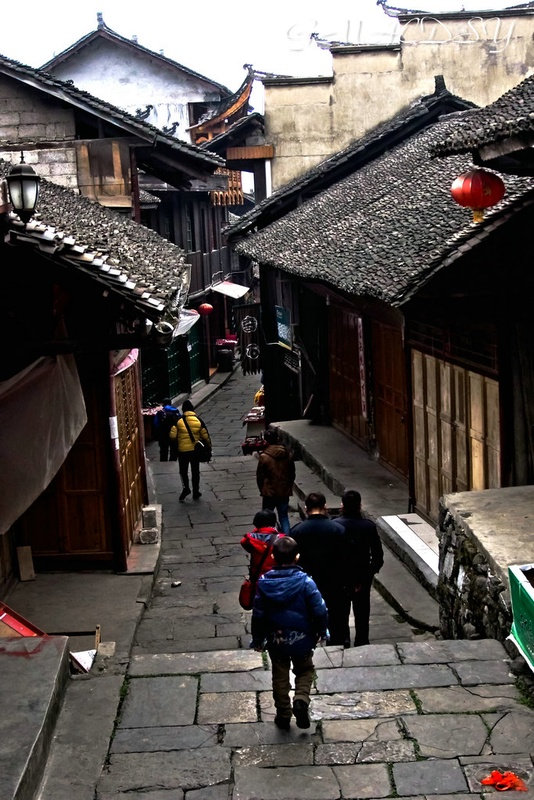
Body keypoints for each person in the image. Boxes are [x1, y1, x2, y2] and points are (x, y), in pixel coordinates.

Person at [251, 536, 328, 730]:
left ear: (274, 557)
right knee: (305, 670)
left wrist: (258, 638)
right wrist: (321, 630)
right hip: (302, 638)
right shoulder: (305, 582)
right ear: (297, 557)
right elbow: (320, 609)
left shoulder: (263, 583)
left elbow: (258, 614)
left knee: (280, 676)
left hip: (277, 640)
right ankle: (301, 698)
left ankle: (283, 713)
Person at [291, 492, 348, 646]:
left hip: (308, 581)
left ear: (306, 508)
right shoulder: (338, 529)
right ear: (325, 507)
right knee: (336, 615)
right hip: (334, 581)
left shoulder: (297, 531)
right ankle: (337, 642)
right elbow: (344, 558)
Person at [335, 490, 384, 647]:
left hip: (341, 575)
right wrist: (370, 573)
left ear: (342, 505)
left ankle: (344, 638)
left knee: (341, 610)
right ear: (360, 505)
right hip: (362, 575)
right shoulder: (368, 527)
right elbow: (378, 555)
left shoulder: (335, 526)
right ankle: (362, 639)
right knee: (362, 610)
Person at [256, 428, 295, 534]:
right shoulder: (287, 454)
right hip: (283, 491)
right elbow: (292, 474)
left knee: (267, 518)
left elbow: (260, 476)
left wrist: (262, 489)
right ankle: (287, 539)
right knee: (284, 516)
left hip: (269, 492)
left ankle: (267, 539)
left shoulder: (264, 457)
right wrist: (288, 486)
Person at [175, 400, 211, 502]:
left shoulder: (179, 421)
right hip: (195, 451)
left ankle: (186, 488)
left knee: (183, 471)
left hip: (183, 451)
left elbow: (172, 435)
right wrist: (209, 447)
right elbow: (205, 436)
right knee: (195, 471)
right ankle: (196, 491)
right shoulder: (198, 420)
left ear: (183, 410)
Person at [240, 509, 284, 578]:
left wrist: (256, 531)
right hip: (276, 575)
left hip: (258, 575)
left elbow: (243, 542)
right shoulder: (281, 538)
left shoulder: (250, 538)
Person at [154, 398, 181, 462]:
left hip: (163, 433)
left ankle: (163, 461)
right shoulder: (175, 411)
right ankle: (172, 460)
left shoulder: (160, 412)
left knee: (163, 449)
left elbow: (156, 423)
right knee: (173, 448)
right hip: (174, 433)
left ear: (163, 404)